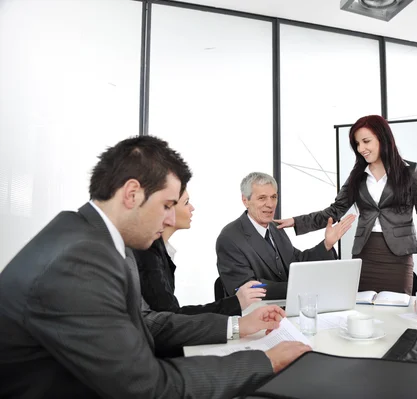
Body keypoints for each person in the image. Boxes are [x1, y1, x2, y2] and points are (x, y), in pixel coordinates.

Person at [0, 136, 311, 399]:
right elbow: (148, 387)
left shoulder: (94, 239)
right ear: (132, 194)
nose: (168, 219)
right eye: (166, 205)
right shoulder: (79, 262)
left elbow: (146, 322)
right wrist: (262, 361)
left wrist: (237, 326)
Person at [275, 115, 417, 295]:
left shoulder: (410, 171)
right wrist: (295, 221)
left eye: (366, 141)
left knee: (397, 308)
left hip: (398, 255)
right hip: (365, 252)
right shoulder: (357, 176)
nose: (360, 148)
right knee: (364, 310)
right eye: (357, 144)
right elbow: (335, 211)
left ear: (383, 139)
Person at [216, 172, 356, 300]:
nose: (270, 204)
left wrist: (327, 244)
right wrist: (300, 288)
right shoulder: (230, 238)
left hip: (288, 308)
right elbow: (248, 288)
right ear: (245, 200)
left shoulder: (276, 228)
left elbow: (297, 262)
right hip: (257, 316)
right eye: (262, 198)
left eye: (274, 197)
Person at [133, 189, 264, 316]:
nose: (192, 208)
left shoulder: (161, 250)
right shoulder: (147, 252)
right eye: (186, 203)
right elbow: (171, 315)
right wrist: (236, 304)